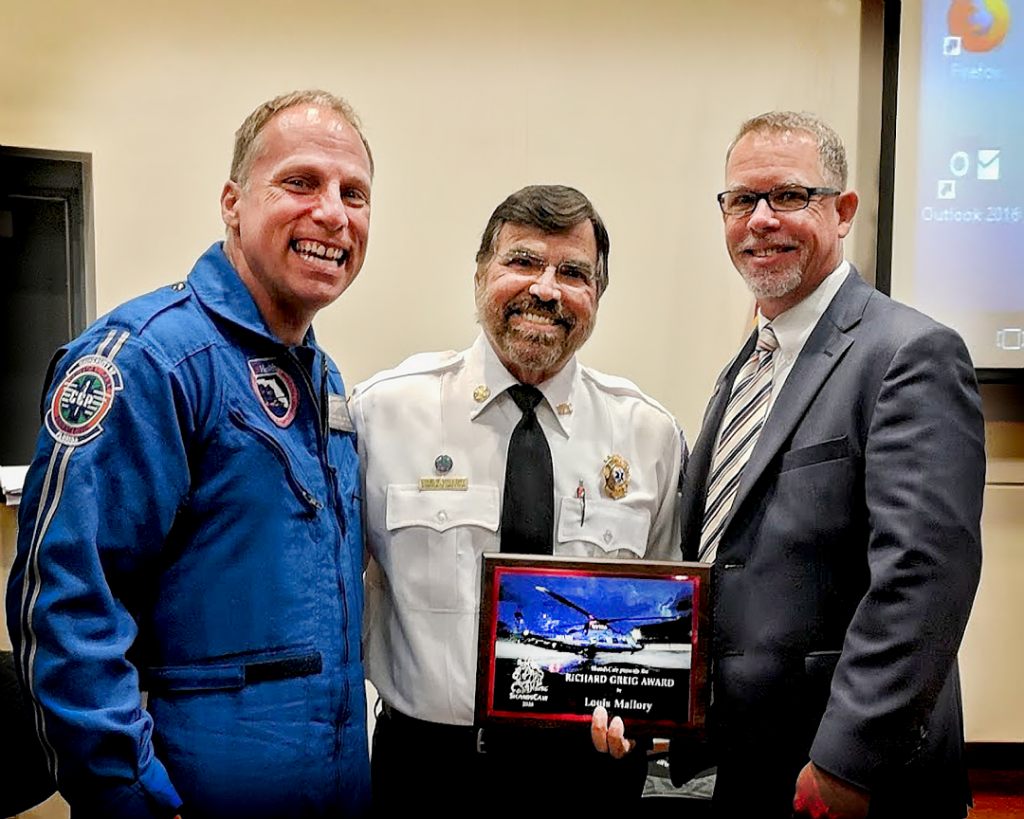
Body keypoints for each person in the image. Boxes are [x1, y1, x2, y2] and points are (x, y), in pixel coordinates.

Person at [6, 90, 375, 819]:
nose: (333, 212)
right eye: (301, 182)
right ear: (233, 203)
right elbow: (68, 607)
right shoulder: (149, 361)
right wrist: (129, 797)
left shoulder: (324, 379)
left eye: (354, 193)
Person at [664, 111, 984, 818]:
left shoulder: (909, 354)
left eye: (788, 196)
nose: (760, 220)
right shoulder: (744, 369)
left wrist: (849, 759)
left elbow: (925, 575)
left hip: (850, 776)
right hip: (748, 760)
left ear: (842, 212)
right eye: (741, 200)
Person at [351, 184, 683, 812]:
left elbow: (662, 608)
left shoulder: (650, 435)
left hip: (591, 776)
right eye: (523, 262)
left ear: (598, 296)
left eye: (573, 272)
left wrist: (643, 715)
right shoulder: (384, 413)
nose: (546, 289)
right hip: (428, 774)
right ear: (481, 274)